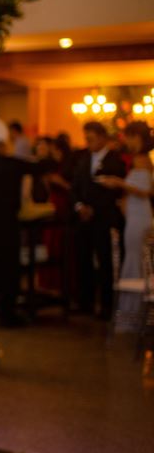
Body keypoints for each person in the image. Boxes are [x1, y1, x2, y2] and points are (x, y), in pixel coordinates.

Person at [0, 116, 42, 326]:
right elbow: (41, 168)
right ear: (4, 143)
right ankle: (8, 311)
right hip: (8, 224)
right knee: (10, 269)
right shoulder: (13, 165)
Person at [97, 120, 153, 327]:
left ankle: (135, 315)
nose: (126, 141)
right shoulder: (142, 159)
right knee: (135, 259)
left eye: (128, 136)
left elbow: (147, 191)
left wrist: (118, 183)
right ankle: (135, 314)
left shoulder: (141, 159)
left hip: (140, 217)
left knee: (136, 260)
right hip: (136, 215)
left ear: (136, 138)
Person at [72, 121, 127, 319]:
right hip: (84, 218)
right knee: (83, 259)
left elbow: (115, 191)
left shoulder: (115, 160)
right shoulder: (83, 158)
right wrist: (80, 206)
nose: (88, 142)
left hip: (104, 218)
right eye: (86, 139)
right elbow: (76, 186)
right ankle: (84, 301)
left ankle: (106, 304)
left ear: (102, 138)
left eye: (92, 139)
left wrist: (94, 208)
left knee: (105, 261)